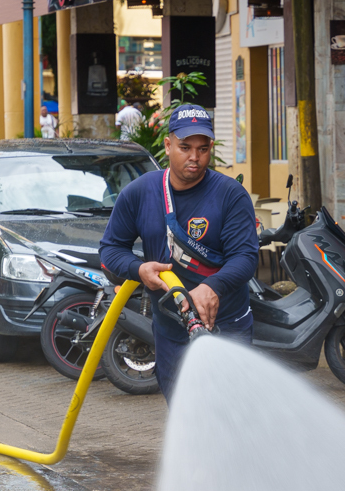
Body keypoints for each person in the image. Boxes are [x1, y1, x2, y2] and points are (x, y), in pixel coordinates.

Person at [98, 107, 260, 400]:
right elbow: (110, 249)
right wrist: (139, 270)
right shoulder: (139, 193)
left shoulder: (230, 195)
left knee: (233, 411)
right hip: (171, 328)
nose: (194, 157)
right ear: (168, 145)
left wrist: (213, 286)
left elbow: (246, 257)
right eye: (185, 147)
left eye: (202, 148)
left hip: (227, 325)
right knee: (183, 407)